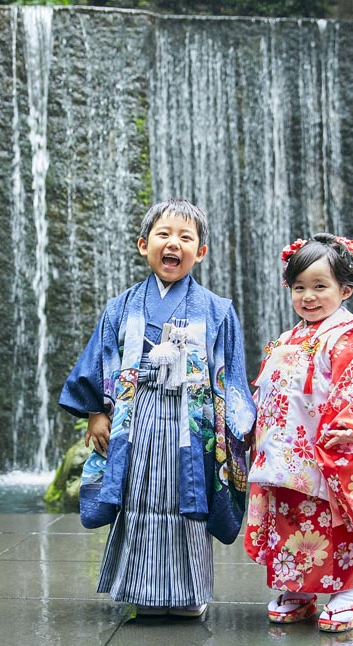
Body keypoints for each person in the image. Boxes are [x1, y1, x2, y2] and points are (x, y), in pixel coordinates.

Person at [59, 198, 256, 619]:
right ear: (143, 245)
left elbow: (233, 376)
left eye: (186, 238)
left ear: (200, 252)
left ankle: (188, 593)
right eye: (164, 235)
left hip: (194, 423)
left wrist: (240, 428)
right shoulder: (121, 306)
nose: (174, 244)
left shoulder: (218, 310)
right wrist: (97, 411)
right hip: (137, 417)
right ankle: (142, 590)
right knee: (139, 497)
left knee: (188, 499)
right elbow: (101, 358)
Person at [244, 233, 353, 632]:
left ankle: (344, 594)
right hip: (285, 452)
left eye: (320, 286)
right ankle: (298, 590)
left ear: (345, 289)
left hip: (327, 449)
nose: (309, 297)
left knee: (333, 519)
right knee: (292, 518)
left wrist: (348, 428)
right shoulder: (290, 338)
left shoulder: (349, 336)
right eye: (299, 287)